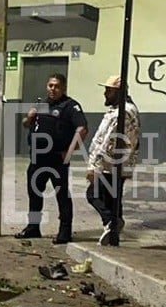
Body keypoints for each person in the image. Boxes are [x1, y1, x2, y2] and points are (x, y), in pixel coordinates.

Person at [15, 73, 89, 244]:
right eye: (50, 85)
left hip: (57, 160)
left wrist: (69, 153)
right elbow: (26, 124)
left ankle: (65, 231)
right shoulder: (41, 104)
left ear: (63, 88)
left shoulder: (70, 106)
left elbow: (82, 129)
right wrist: (29, 117)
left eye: (56, 86)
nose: (53, 89)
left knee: (61, 195)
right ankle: (33, 227)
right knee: (34, 194)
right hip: (37, 159)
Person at [86, 75, 140, 246]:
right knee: (112, 199)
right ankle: (114, 223)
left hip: (111, 165)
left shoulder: (122, 113)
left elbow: (109, 142)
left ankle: (111, 223)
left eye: (109, 91)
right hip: (118, 165)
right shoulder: (125, 110)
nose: (105, 94)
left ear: (118, 92)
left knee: (93, 195)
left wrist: (94, 167)